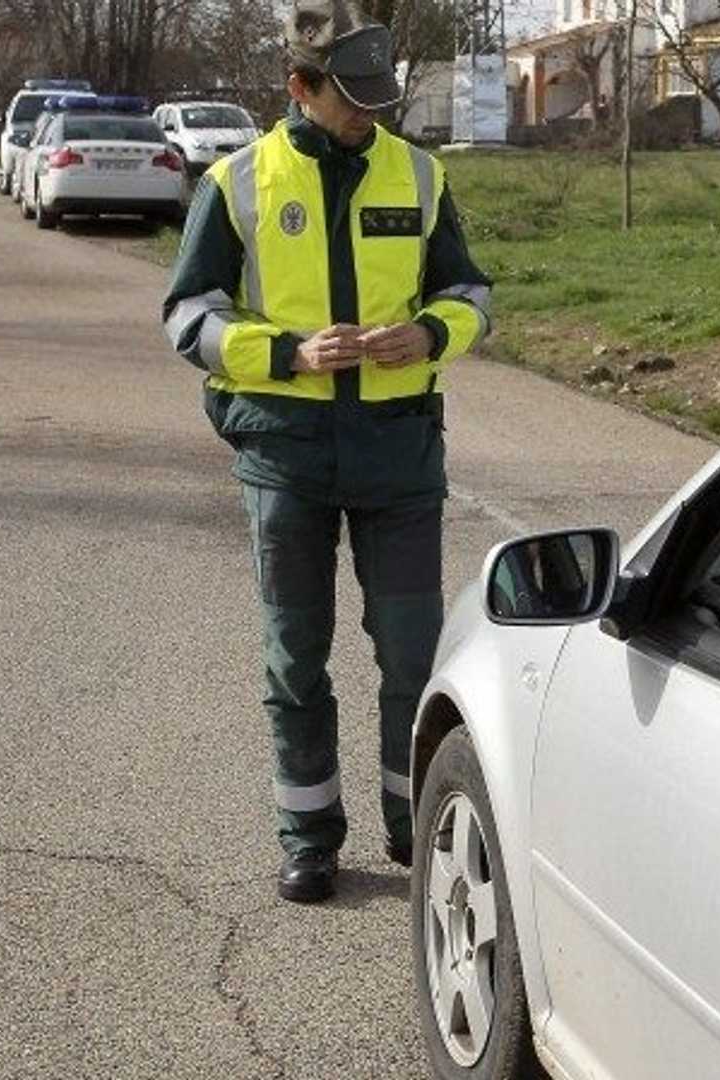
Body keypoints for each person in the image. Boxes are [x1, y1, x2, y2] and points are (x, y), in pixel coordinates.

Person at [161, 0, 493, 903]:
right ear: (298, 87)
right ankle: (309, 836)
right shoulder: (234, 182)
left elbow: (470, 293)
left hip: (398, 456)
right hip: (286, 456)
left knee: (413, 655)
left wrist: (429, 334)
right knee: (294, 656)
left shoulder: (419, 178)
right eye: (351, 96)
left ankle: (411, 828)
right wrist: (286, 354)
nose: (371, 113)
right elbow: (188, 315)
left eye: (380, 96)